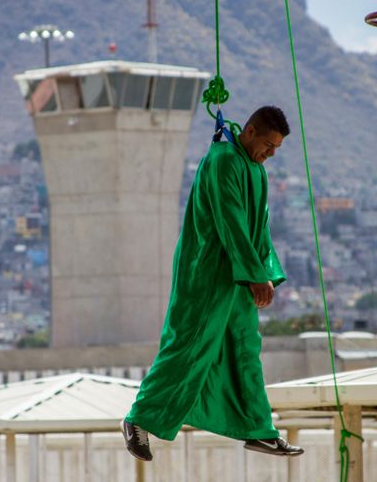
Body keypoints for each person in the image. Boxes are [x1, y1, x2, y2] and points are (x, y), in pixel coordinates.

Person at [121, 105, 304, 460]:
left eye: (277, 148)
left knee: (245, 348)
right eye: (268, 144)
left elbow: (258, 228)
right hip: (206, 272)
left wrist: (262, 273)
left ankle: (258, 429)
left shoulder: (255, 169)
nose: (271, 153)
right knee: (189, 343)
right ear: (249, 132)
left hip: (238, 278)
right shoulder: (223, 160)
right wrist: (254, 274)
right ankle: (138, 418)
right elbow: (230, 221)